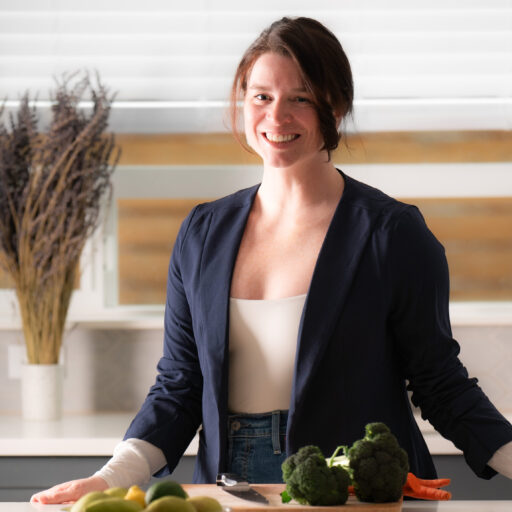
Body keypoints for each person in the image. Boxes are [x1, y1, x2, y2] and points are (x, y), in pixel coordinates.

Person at [32, 16, 512, 504]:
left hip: (353, 495)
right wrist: (109, 477)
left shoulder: (391, 234)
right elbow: (179, 387)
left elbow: (441, 385)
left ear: (337, 105)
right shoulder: (202, 234)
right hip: (229, 488)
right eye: (261, 96)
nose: (276, 116)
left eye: (300, 98)